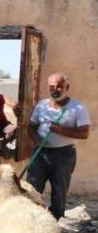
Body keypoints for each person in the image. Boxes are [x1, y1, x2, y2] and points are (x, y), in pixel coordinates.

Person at [26, 73, 91, 220]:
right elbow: (31, 127)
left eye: (59, 86)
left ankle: (56, 221)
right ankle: (31, 218)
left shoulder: (78, 108)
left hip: (63, 154)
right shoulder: (41, 106)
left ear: (67, 87)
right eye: (52, 87)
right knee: (32, 188)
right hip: (40, 153)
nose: (55, 89)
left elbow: (84, 133)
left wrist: (62, 130)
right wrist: (36, 139)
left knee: (59, 191)